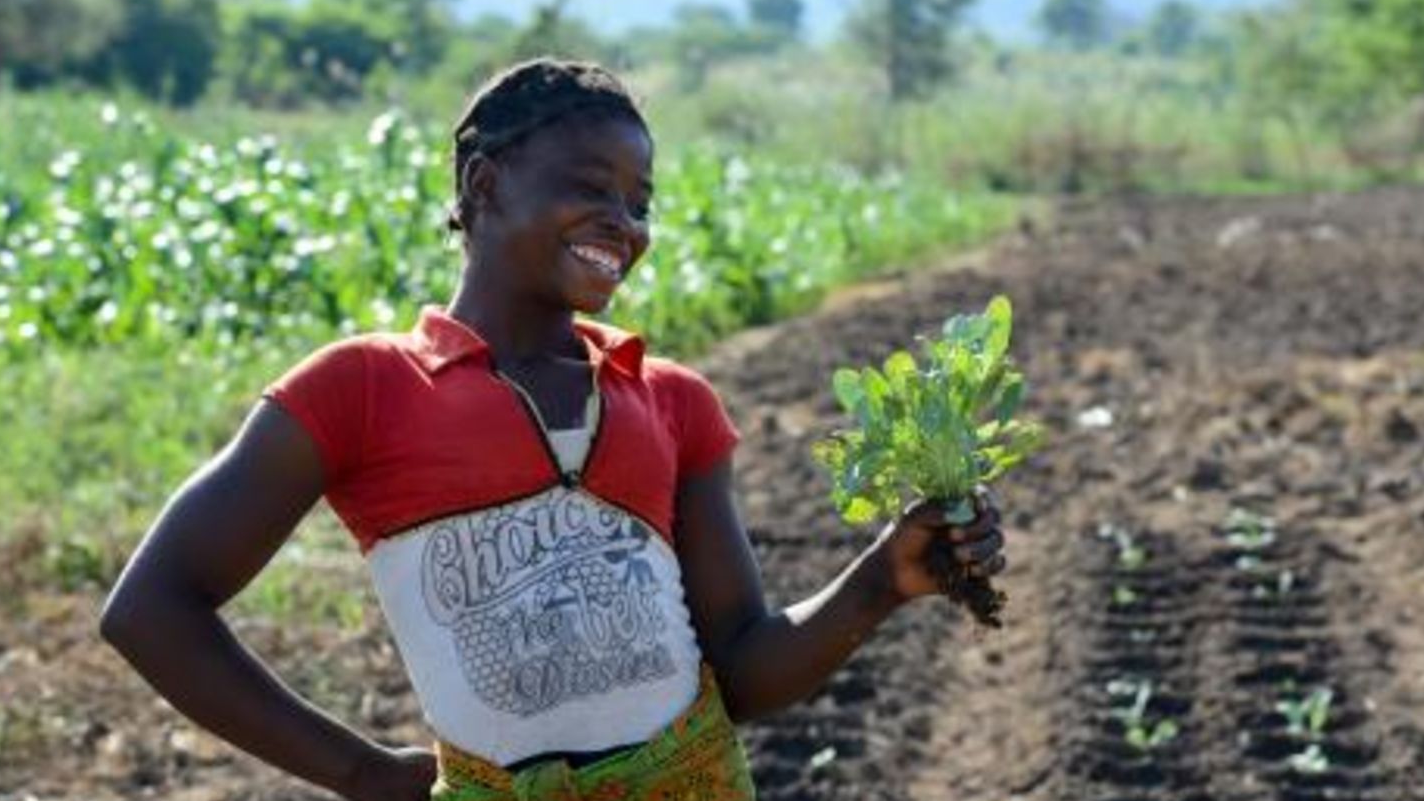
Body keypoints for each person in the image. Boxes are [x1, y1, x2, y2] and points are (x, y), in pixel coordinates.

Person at [99, 58, 1007, 801]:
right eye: (592, 188)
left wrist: (881, 580)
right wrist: (359, 770)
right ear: (485, 184)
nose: (624, 222)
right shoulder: (363, 389)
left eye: (641, 201)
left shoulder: (672, 400)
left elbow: (740, 670)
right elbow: (152, 609)